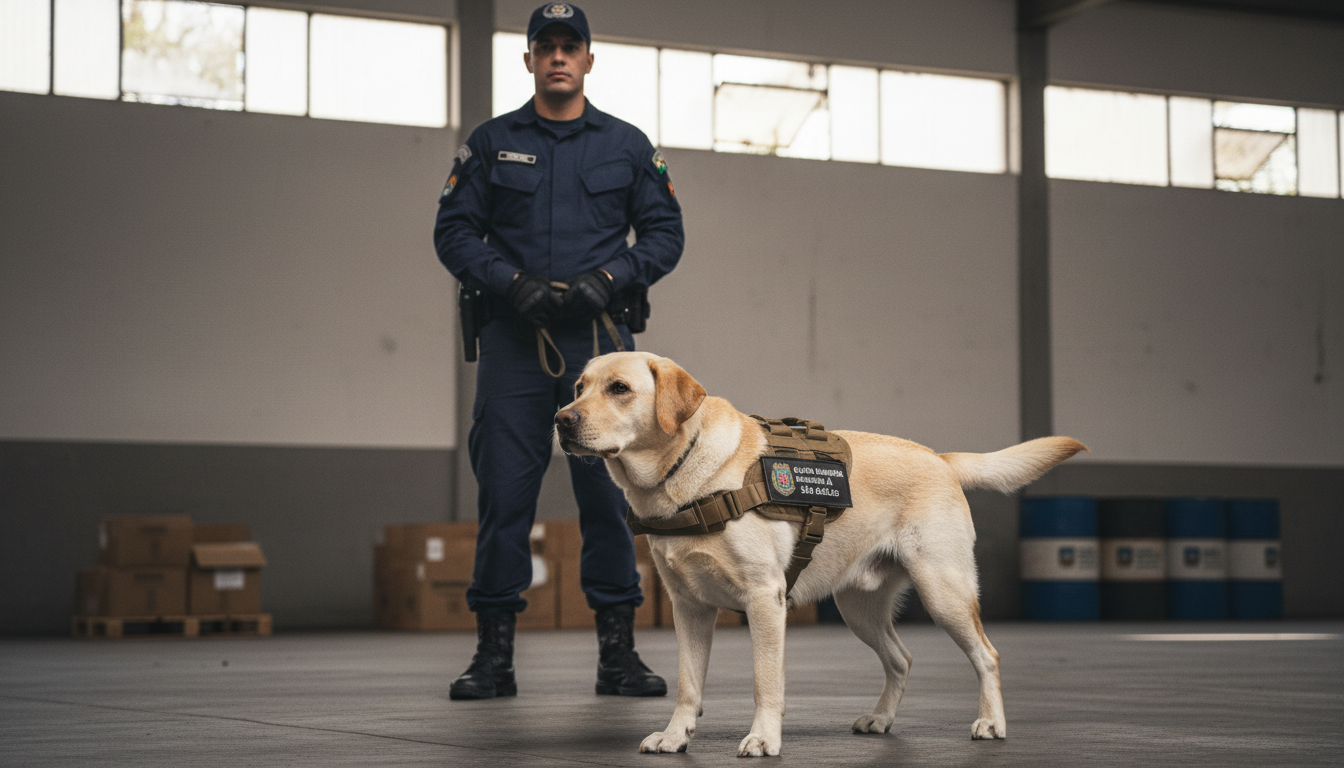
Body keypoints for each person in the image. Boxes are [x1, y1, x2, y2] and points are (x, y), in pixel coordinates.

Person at [433, 2, 684, 700]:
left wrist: (610, 279)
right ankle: (493, 657)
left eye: (571, 46)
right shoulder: (490, 143)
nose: (558, 57)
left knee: (608, 500)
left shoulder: (628, 146)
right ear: (529, 61)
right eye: (546, 46)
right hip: (515, 343)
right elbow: (453, 232)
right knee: (505, 496)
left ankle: (618, 655)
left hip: (602, 349)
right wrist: (509, 284)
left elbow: (666, 233)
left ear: (589, 60)